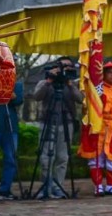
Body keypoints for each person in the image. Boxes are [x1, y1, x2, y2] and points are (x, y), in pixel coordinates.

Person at [77, 61, 112, 196]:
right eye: (110, 72)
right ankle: (98, 186)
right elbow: (89, 105)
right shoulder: (99, 89)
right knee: (96, 157)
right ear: (104, 74)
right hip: (98, 125)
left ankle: (110, 186)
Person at [33, 56, 83, 199]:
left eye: (69, 67)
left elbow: (80, 99)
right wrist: (49, 81)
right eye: (64, 67)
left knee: (62, 157)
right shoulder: (45, 81)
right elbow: (36, 96)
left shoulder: (71, 84)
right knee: (46, 157)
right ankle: (46, 186)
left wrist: (69, 84)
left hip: (66, 123)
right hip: (48, 122)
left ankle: (58, 186)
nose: (66, 69)